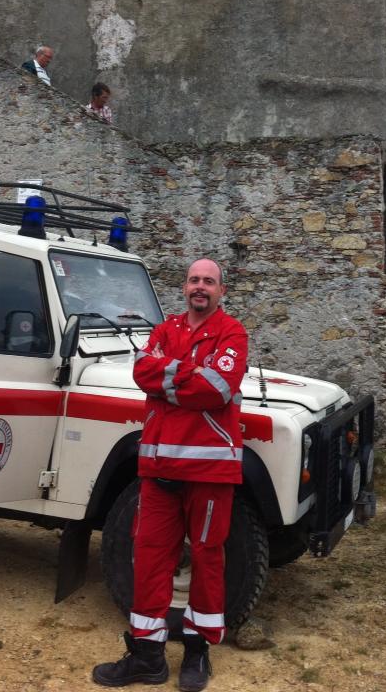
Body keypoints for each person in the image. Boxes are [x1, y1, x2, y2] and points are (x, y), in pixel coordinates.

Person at [93, 258, 248, 692]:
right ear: (184, 287)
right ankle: (147, 656)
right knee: (148, 558)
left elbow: (218, 388)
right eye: (194, 280)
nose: (200, 287)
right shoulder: (164, 330)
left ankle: (197, 652)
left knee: (207, 559)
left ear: (221, 290)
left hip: (210, 471)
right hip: (158, 468)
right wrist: (189, 373)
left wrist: (169, 375)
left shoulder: (232, 332)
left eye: (209, 281)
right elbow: (142, 372)